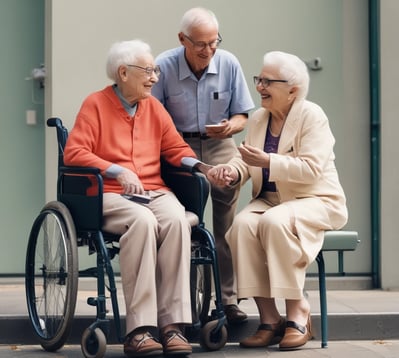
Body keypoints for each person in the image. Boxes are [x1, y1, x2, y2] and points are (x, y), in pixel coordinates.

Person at [64, 39, 199, 357]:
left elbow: (176, 149)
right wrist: (115, 171)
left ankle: (172, 326)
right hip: (110, 194)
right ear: (123, 73)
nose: (155, 77)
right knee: (142, 222)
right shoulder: (95, 104)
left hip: (154, 190)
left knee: (178, 220)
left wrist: (202, 166)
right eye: (148, 71)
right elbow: (75, 151)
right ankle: (139, 330)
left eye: (156, 71)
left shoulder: (154, 107)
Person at [206, 51, 348, 350]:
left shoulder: (312, 115)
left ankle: (298, 311)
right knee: (242, 227)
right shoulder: (259, 118)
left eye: (268, 81)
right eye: (259, 79)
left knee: (273, 221)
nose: (259, 87)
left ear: (293, 89)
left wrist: (269, 160)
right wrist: (230, 172)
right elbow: (245, 160)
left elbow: (311, 170)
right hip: (271, 199)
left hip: (315, 198)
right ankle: (269, 320)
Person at [152, 7, 255, 325]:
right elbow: (151, 117)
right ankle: (182, 302)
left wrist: (230, 127)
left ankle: (228, 300)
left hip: (220, 146)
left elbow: (242, 115)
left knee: (225, 228)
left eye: (214, 42)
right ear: (182, 39)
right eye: (201, 44)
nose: (209, 50)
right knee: (184, 225)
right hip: (177, 147)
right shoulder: (163, 66)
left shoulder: (229, 63)